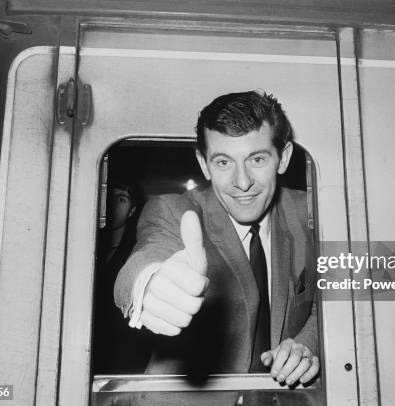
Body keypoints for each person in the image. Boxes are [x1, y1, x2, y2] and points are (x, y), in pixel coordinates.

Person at [114, 91, 319, 386]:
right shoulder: (173, 210)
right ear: (204, 164)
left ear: (283, 158)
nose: (242, 182)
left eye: (257, 159)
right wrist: (148, 285)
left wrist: (307, 344)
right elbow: (145, 258)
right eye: (223, 163)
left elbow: (368, 291)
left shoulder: (315, 212)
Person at [93, 181, 150, 373]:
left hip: (125, 360)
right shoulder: (85, 246)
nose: (112, 205)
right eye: (109, 197)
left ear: (132, 211)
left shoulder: (138, 253)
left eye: (121, 199)